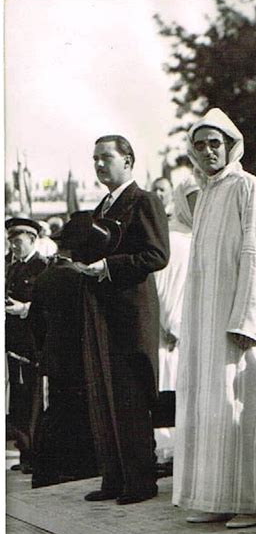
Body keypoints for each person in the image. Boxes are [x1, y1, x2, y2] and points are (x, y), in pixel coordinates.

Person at [172, 108, 256, 528]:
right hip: (206, 321)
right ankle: (216, 495)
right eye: (200, 145)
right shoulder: (204, 196)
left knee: (242, 405)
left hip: (241, 322)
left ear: (231, 146)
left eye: (215, 143)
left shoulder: (249, 188)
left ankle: (254, 501)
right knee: (212, 407)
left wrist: (249, 321)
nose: (208, 151)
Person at [74, 134, 169, 505]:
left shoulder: (144, 201)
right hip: (102, 311)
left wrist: (108, 267)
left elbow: (156, 254)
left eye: (106, 158)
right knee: (104, 394)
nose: (99, 165)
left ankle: (140, 481)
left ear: (128, 160)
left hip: (131, 313)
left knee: (130, 396)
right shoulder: (103, 206)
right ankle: (114, 477)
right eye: (94, 158)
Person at [28, 230, 98, 488]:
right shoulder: (80, 278)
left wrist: (44, 349)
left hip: (54, 355)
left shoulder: (46, 276)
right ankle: (76, 466)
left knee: (56, 408)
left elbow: (35, 321)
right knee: (79, 411)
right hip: (78, 356)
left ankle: (45, 468)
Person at [152, 176, 197, 472]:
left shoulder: (197, 238)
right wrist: (169, 324)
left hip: (187, 327)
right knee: (168, 388)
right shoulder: (172, 238)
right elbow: (160, 287)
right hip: (170, 328)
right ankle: (166, 451)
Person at [5, 218, 48, 473]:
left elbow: (47, 305)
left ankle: (35, 454)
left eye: (17, 241)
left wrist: (23, 309)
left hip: (33, 343)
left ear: (32, 240)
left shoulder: (42, 267)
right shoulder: (12, 267)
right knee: (19, 400)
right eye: (11, 241)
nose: (13, 246)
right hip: (14, 343)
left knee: (33, 399)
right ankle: (24, 453)